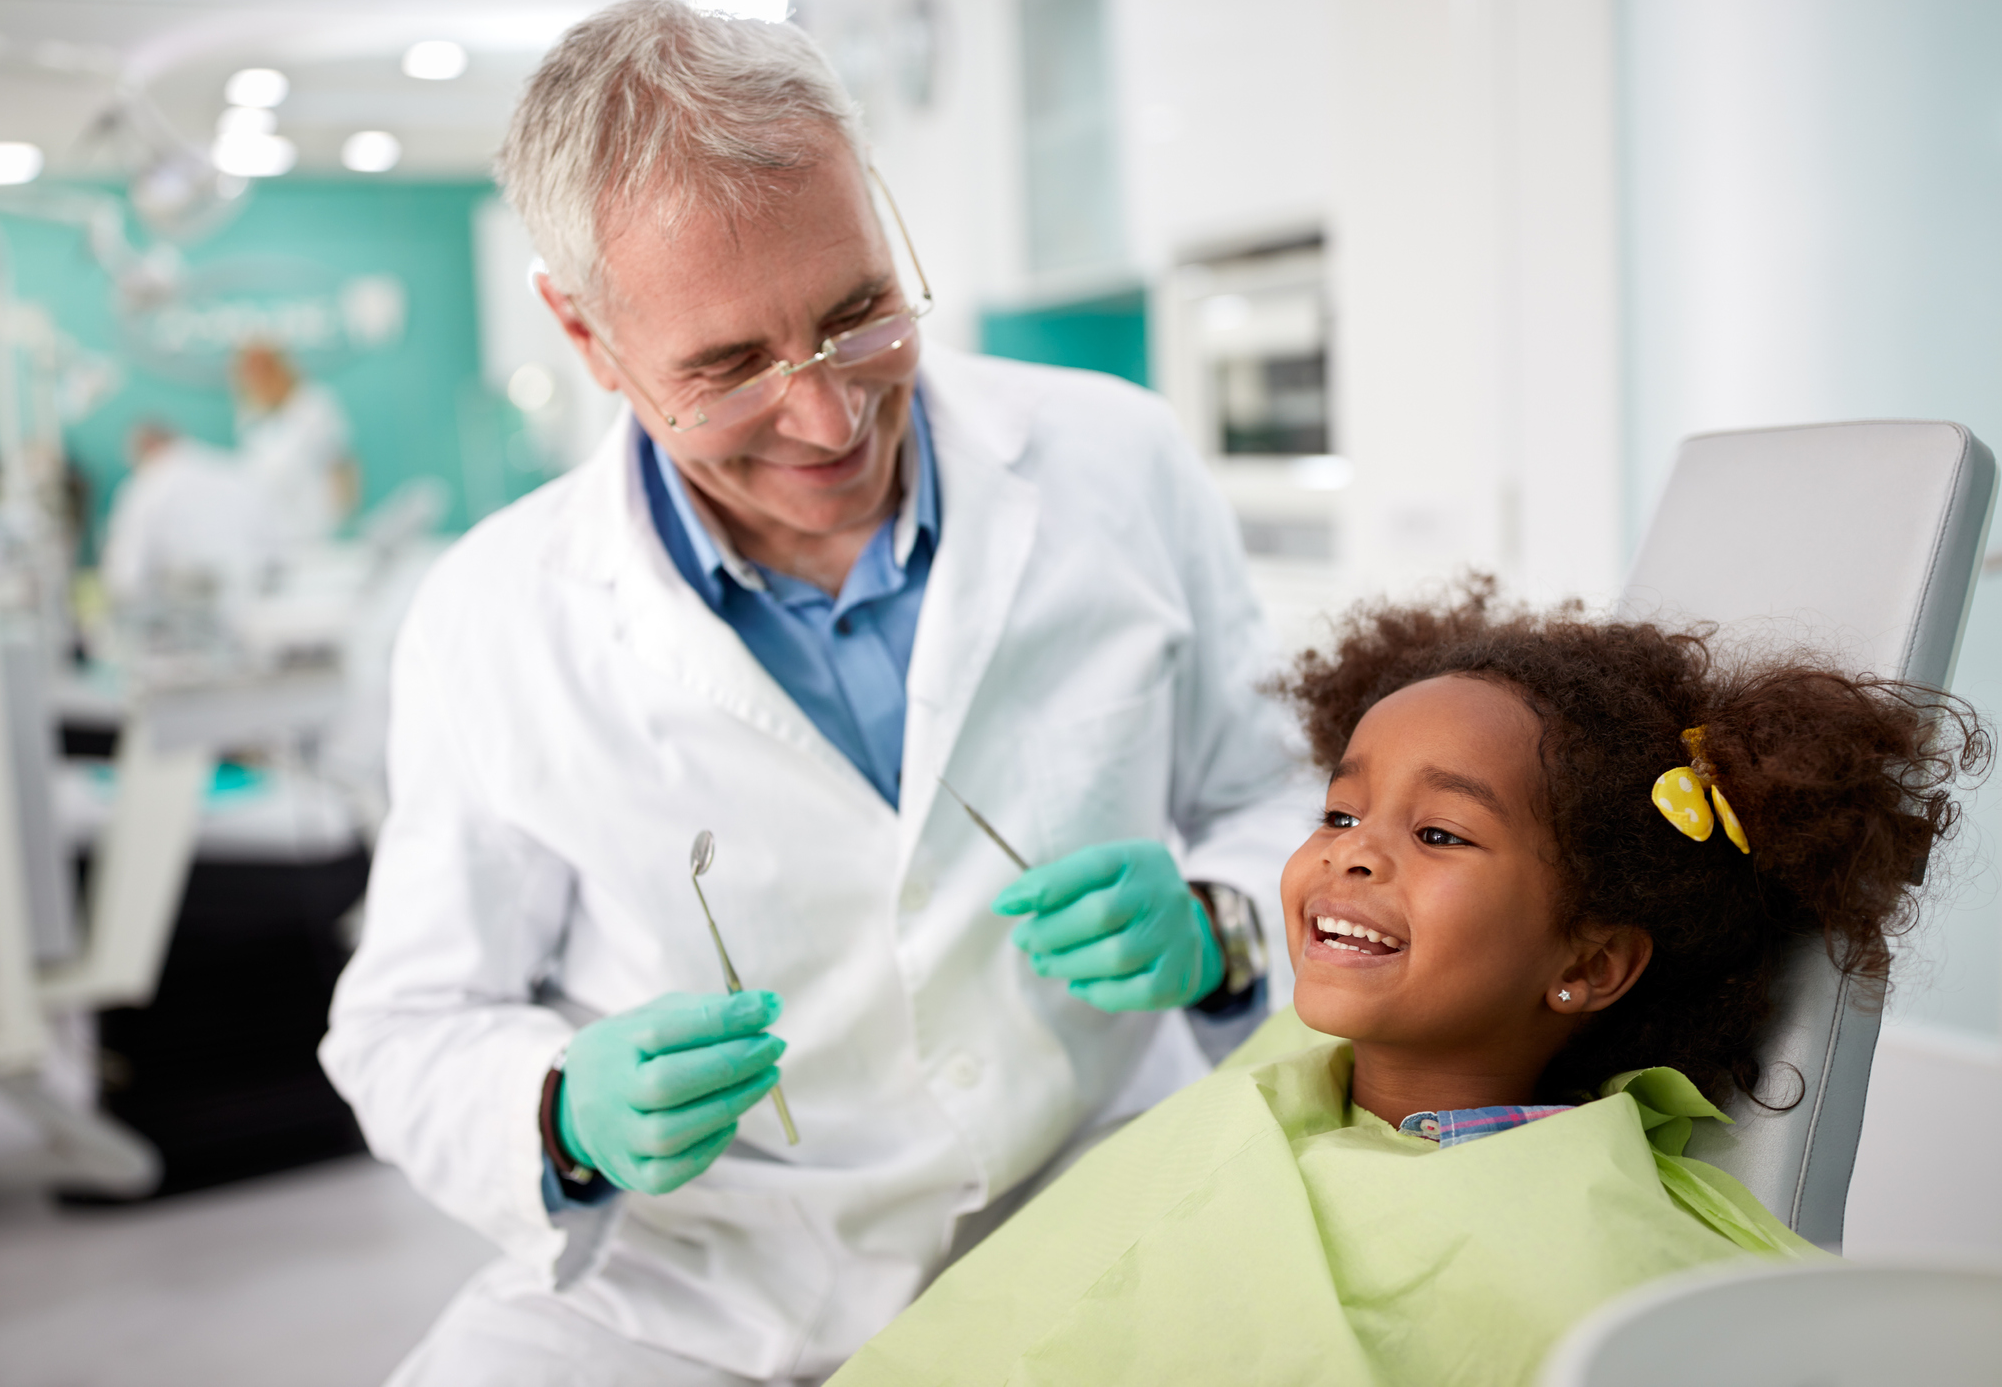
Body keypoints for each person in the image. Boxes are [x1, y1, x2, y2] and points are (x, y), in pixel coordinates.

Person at [319, 0, 1309, 1386]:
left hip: (1097, 1206)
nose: (828, 417)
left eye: (856, 316)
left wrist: (1221, 921)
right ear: (588, 338)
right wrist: (559, 1113)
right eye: (726, 369)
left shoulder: (1119, 462)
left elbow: (1275, 793)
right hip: (704, 1290)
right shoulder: (493, 619)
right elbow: (408, 1024)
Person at [830, 584, 1984, 1386]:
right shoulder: (1287, 1065)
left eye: (1438, 832)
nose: (1352, 851)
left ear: (1586, 964)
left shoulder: (1584, 1237)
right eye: (1338, 811)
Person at [100, 419, 283, 613]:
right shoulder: (233, 470)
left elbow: (124, 575)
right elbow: (276, 547)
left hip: (187, 619)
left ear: (147, 447)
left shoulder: (147, 486)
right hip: (256, 606)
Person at [231, 342, 356, 546]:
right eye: (249, 372)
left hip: (317, 533)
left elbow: (341, 466)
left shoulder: (313, 406)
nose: (256, 378)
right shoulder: (249, 416)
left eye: (264, 368)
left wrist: (341, 525)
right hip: (273, 538)